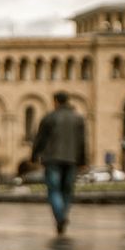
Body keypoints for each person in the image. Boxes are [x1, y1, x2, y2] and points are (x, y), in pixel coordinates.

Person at [31, 91, 88, 234]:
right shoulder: (78, 119)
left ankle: (60, 217)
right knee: (67, 190)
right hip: (71, 160)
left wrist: (34, 156)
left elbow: (40, 139)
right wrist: (82, 160)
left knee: (54, 190)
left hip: (52, 159)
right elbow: (82, 142)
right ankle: (63, 216)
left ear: (55, 101)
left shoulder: (49, 118)